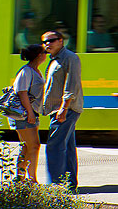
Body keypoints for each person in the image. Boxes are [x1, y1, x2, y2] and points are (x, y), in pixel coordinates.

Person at [40, 30, 83, 191]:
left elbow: (71, 85)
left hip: (66, 109)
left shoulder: (69, 58)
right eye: (44, 42)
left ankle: (54, 186)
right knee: (68, 146)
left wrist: (63, 109)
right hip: (59, 109)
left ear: (61, 41)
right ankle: (70, 184)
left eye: (51, 40)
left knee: (54, 146)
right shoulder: (54, 59)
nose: (47, 44)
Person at [9, 44, 45, 182]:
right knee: (34, 145)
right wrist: (30, 112)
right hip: (24, 114)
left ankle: (20, 178)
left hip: (31, 113)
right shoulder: (26, 71)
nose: (46, 55)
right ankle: (31, 179)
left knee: (27, 146)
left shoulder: (35, 71)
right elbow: (22, 92)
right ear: (38, 55)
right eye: (43, 52)